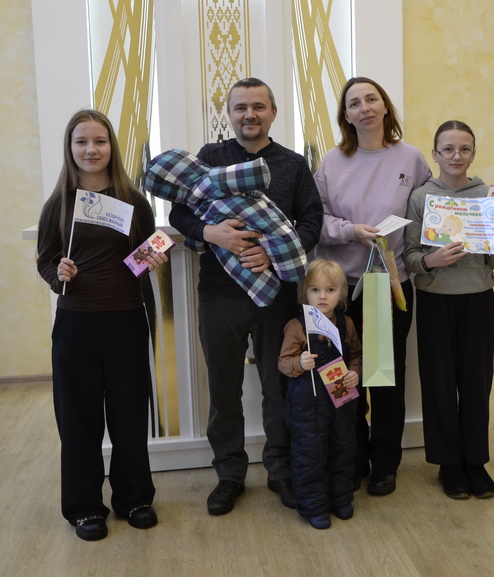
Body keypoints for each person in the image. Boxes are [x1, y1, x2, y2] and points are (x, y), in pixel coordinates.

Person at [169, 77, 323, 515]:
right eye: (240, 107)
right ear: (230, 114)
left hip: (278, 297)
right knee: (223, 389)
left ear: (273, 112)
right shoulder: (209, 158)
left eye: (258, 106)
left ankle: (280, 470)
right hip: (218, 297)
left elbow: (312, 222)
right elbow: (179, 212)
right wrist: (210, 232)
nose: (249, 115)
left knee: (279, 386)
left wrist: (273, 254)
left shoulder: (293, 165)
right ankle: (229, 475)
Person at [36, 109, 166, 540]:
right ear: (70, 148)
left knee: (129, 413)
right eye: (82, 142)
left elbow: (143, 255)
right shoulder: (58, 204)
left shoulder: (134, 201)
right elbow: (45, 261)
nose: (91, 150)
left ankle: (135, 498)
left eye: (100, 141)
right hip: (75, 324)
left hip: (126, 319)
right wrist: (59, 273)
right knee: (78, 418)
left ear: (112, 146)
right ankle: (84, 507)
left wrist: (151, 259)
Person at [314, 76, 432, 495]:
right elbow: (316, 220)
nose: (364, 108)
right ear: (345, 115)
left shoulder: (411, 158)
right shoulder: (331, 162)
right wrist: (351, 231)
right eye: (354, 103)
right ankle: (352, 458)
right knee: (345, 378)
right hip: (340, 292)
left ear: (385, 107)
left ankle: (385, 464)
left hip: (389, 285)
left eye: (371, 99)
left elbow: (432, 210)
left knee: (384, 381)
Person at [404, 120, 494, 499]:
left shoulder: (487, 197)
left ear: (473, 153)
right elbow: (410, 255)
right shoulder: (421, 197)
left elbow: (493, 261)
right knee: (438, 381)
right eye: (448, 149)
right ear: (435, 154)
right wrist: (430, 261)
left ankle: (475, 461)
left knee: (476, 382)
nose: (456, 156)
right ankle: (448, 463)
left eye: (464, 149)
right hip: (435, 299)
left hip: (478, 298)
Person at [278, 259, 362, 529]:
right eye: (315, 290)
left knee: (342, 447)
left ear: (342, 293)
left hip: (341, 399)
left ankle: (341, 499)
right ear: (305, 292)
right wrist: (300, 363)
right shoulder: (297, 326)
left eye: (330, 290)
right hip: (307, 403)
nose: (322, 296)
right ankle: (313, 506)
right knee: (310, 453)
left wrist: (355, 372)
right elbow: (283, 363)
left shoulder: (347, 324)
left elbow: (357, 355)